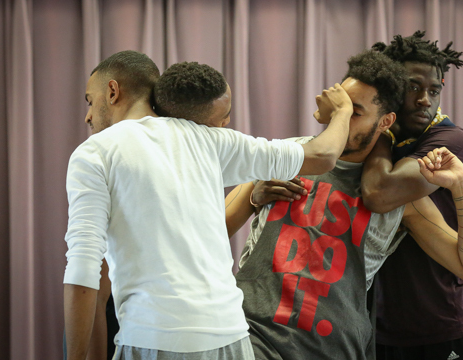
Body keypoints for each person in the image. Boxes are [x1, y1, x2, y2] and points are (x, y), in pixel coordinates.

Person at [63, 50, 355, 360]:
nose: (88, 116)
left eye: (89, 101)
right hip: (231, 339)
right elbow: (323, 155)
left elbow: (83, 268)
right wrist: (343, 112)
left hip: (154, 338)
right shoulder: (212, 141)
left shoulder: (94, 153)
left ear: (112, 91)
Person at [225, 49, 463, 360]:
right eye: (340, 108)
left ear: (386, 122)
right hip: (249, 337)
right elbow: (211, 230)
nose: (341, 120)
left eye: (354, 113)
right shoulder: (283, 154)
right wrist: (253, 195)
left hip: (332, 348)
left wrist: (462, 187)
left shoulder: (399, 199)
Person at [361, 31, 463, 359]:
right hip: (382, 326)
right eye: (413, 87)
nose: (424, 100)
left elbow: (379, 192)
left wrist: (383, 131)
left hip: (442, 323)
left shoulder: (450, 142)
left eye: (434, 90)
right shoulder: (376, 139)